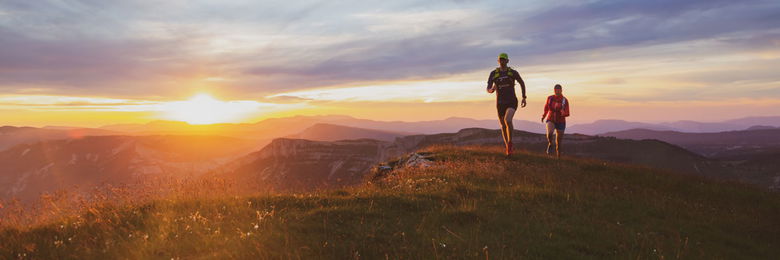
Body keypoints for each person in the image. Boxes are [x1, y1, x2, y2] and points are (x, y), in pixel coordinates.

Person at [487, 53, 527, 156]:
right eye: (500, 59)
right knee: (503, 125)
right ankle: (508, 148)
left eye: (504, 59)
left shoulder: (512, 72)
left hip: (512, 101)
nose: (502, 61)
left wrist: (524, 97)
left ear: (507, 61)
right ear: (498, 61)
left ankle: (510, 142)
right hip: (500, 103)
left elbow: (522, 83)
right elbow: (488, 87)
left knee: (507, 120)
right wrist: (491, 90)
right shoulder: (493, 73)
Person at [541, 84, 570, 158]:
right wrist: (543, 116)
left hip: (561, 121)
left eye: (558, 90)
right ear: (554, 90)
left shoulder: (564, 100)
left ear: (561, 90)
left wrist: (564, 113)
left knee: (558, 142)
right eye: (555, 90)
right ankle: (550, 143)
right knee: (549, 133)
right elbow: (546, 108)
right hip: (551, 119)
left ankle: (558, 158)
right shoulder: (550, 98)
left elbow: (568, 112)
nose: (557, 91)